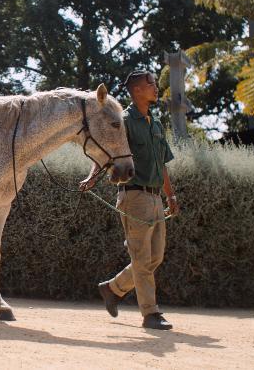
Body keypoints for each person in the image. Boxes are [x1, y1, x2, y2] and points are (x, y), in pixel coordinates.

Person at [79, 70, 181, 330]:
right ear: (137, 90)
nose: (156, 87)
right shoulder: (123, 121)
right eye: (151, 84)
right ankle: (151, 313)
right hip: (134, 196)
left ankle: (113, 289)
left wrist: (170, 195)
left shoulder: (156, 124)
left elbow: (163, 164)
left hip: (155, 198)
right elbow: (108, 151)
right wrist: (92, 177)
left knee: (155, 257)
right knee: (142, 259)